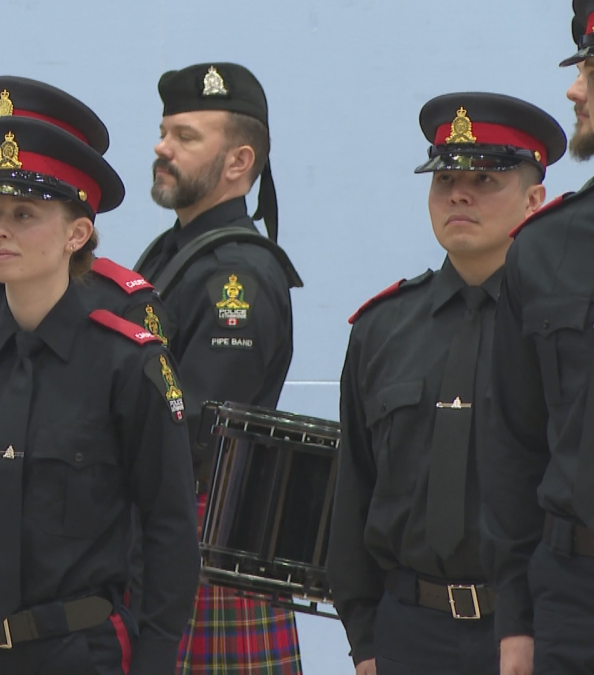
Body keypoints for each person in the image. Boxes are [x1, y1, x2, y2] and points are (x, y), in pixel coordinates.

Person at [0, 97, 199, 674]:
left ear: (77, 233)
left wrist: (157, 657)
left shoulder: (126, 364)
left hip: (75, 651)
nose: (0, 232)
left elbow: (168, 528)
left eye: (25, 214)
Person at [330, 93, 561, 675]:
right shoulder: (382, 329)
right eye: (445, 178)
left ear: (536, 200)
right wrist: (365, 641)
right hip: (408, 629)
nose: (458, 193)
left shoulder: (560, 327)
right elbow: (355, 490)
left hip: (536, 631)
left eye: (484, 178)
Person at [136, 62, 302, 674]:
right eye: (163, 132)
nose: (162, 147)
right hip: (167, 536)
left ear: (238, 162)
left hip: (205, 541)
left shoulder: (238, 274)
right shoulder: (174, 252)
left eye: (185, 137)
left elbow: (194, 430)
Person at [480, 2, 594, 672]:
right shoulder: (543, 249)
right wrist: (516, 619)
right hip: (574, 597)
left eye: (590, 69)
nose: (573, 89)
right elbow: (516, 445)